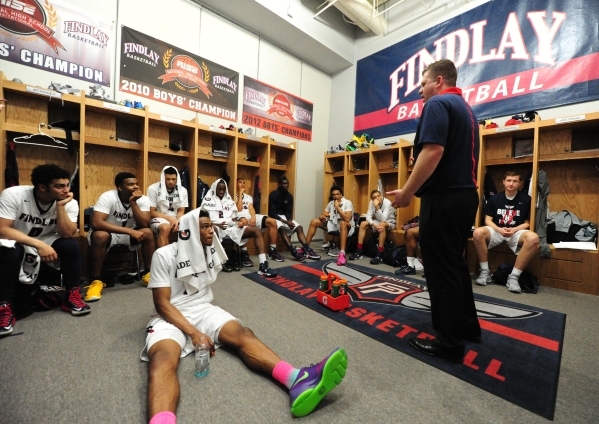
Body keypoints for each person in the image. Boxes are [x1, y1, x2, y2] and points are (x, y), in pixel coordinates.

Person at [142, 208, 348, 423]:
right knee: (162, 359)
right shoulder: (163, 255)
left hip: (202, 308)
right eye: (204, 227)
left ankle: (297, 379)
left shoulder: (207, 251)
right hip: (170, 315)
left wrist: (200, 329)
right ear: (188, 231)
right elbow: (162, 304)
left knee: (243, 334)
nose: (211, 231)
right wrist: (194, 333)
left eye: (210, 226)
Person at [387, 59, 481, 363]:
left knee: (440, 270)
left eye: (423, 84)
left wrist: (406, 193)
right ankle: (467, 327)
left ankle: (449, 343)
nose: (420, 92)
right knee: (454, 265)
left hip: (445, 199)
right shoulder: (467, 110)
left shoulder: (438, 104)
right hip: (465, 197)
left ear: (438, 81)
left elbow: (433, 150)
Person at [0, 164, 90, 336]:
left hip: (46, 238)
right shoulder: (14, 195)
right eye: (59, 186)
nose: (66, 190)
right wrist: (38, 245)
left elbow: (67, 233)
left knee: (70, 245)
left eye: (67, 185)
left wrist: (60, 207)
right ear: (42, 187)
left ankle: (72, 295)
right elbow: (3, 229)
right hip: (16, 238)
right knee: (9, 250)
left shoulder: (68, 202)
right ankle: (4, 307)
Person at [85, 172, 155, 302]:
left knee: (148, 232)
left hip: (129, 233)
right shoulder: (108, 197)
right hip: (109, 233)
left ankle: (148, 273)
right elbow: (96, 223)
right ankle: (96, 281)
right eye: (130, 184)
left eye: (136, 184)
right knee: (100, 236)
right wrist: (129, 232)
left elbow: (144, 223)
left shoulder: (143, 199)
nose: (135, 187)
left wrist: (133, 203)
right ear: (120, 187)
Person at [473, 171, 539, 293]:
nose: (511, 183)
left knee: (533, 238)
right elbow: (488, 220)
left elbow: (528, 223)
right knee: (477, 232)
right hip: (497, 230)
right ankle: (485, 272)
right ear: (503, 182)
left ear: (519, 183)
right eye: (508, 180)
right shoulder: (495, 198)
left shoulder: (526, 199)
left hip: (516, 231)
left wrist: (513, 230)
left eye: (514, 181)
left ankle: (513, 277)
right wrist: (499, 229)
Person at [201, 178, 276, 277]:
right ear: (215, 189)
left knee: (256, 231)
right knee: (211, 230)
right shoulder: (207, 200)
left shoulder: (229, 201)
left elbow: (234, 218)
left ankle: (263, 264)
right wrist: (215, 225)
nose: (221, 192)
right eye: (219, 189)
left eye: (223, 189)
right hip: (216, 227)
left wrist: (239, 223)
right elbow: (203, 221)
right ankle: (216, 261)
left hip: (231, 227)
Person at [235, 177, 288, 263]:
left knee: (272, 221)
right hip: (240, 217)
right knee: (243, 223)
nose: (242, 184)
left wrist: (253, 217)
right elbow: (239, 209)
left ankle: (273, 250)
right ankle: (244, 253)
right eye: (240, 182)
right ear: (236, 184)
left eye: (244, 183)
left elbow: (251, 208)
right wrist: (240, 194)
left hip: (250, 216)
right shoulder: (232, 196)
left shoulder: (248, 197)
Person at [305, 185, 355, 266]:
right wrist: (322, 217)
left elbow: (347, 219)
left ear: (341, 195)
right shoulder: (331, 203)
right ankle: (306, 248)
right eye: (333, 195)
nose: (335, 196)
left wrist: (337, 208)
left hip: (346, 226)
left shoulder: (347, 202)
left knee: (342, 223)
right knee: (314, 221)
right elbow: (324, 214)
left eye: (337, 194)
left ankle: (342, 253)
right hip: (334, 225)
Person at [268, 176, 314, 262]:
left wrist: (289, 220)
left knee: (299, 227)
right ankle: (294, 252)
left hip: (285, 217)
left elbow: (288, 211)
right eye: (284, 184)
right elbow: (272, 212)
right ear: (280, 184)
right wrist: (285, 222)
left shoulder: (289, 196)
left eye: (287, 184)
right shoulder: (273, 195)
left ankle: (308, 249)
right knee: (282, 229)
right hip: (275, 217)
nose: (286, 185)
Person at [349, 190, 396, 265]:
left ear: (381, 196)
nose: (377, 198)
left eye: (378, 196)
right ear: (372, 199)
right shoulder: (371, 203)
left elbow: (383, 219)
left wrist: (377, 207)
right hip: (377, 221)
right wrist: (374, 225)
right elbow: (368, 217)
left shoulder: (388, 203)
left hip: (390, 222)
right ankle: (359, 250)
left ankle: (380, 254)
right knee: (363, 223)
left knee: (382, 225)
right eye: (374, 197)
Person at [147, 166, 188, 248]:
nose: (171, 182)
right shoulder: (153, 189)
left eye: (173, 179)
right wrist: (171, 219)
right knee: (165, 228)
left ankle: (183, 258)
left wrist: (178, 221)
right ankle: (163, 259)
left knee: (190, 228)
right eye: (168, 179)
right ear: (163, 178)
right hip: (159, 217)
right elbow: (152, 212)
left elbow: (181, 211)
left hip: (176, 218)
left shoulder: (182, 190)